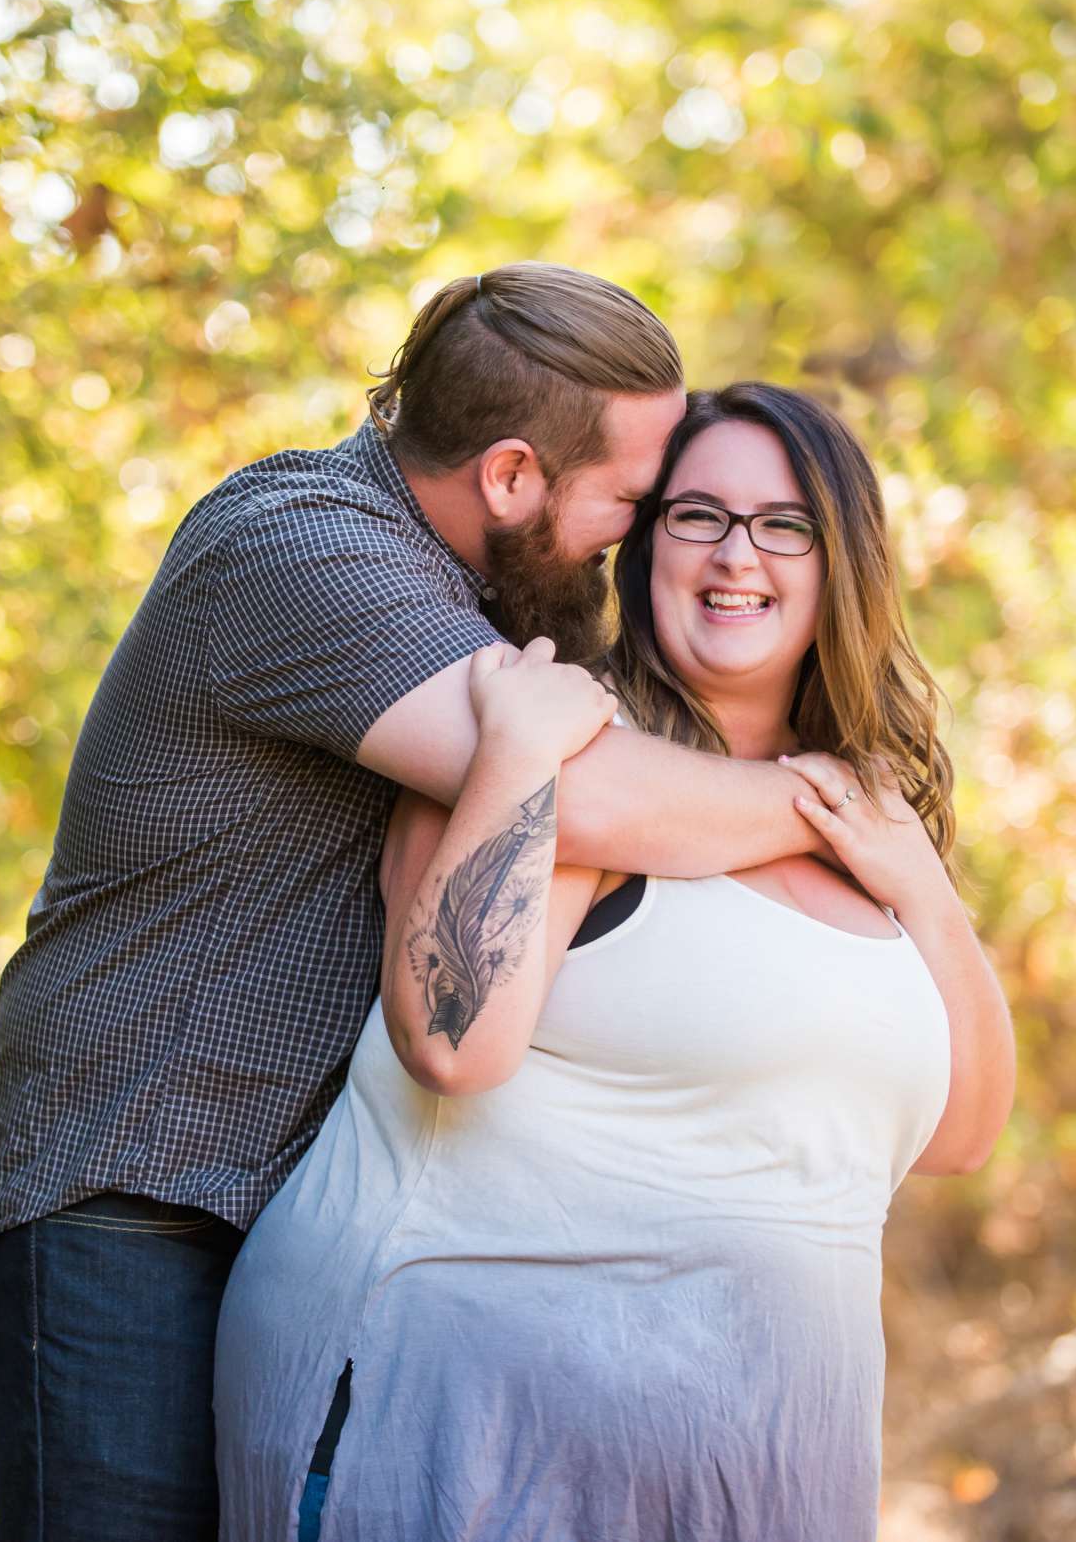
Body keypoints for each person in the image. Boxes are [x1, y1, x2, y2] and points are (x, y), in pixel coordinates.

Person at [0, 269, 868, 1542]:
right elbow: (590, 798)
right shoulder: (304, 550)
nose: (635, 529)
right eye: (627, 496)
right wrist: (833, 801)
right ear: (509, 477)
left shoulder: (470, 585)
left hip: (278, 1220)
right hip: (133, 1204)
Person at [213, 382, 1017, 1541]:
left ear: (843, 564)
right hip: (459, 1445)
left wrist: (924, 889)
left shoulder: (869, 827)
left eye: (785, 524)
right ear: (642, 549)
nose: (738, 553)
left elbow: (961, 1136)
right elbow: (447, 1042)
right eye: (698, 515)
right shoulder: (561, 742)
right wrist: (528, 763)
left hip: (755, 1474)